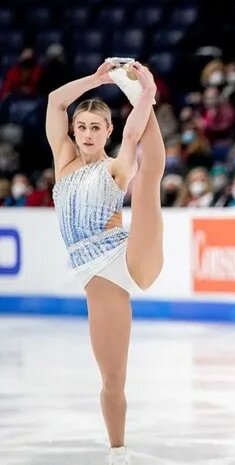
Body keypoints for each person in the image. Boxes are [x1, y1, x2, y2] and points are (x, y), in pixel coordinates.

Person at [46, 61, 165, 465]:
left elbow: (134, 132)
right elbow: (55, 102)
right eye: (83, 127)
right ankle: (118, 450)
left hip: (128, 255)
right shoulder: (63, 162)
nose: (88, 133)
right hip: (98, 277)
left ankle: (142, 95)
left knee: (148, 179)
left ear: (108, 132)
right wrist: (97, 80)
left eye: (97, 127)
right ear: (74, 131)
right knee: (113, 379)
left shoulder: (115, 166)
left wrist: (144, 94)